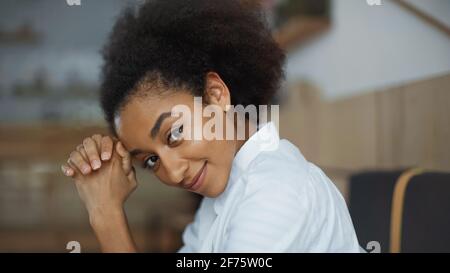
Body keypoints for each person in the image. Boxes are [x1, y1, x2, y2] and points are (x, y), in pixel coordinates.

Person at [60, 0, 361, 252]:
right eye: (150, 160)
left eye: (175, 133)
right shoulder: (220, 198)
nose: (174, 173)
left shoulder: (276, 190)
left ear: (216, 95)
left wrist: (106, 215)